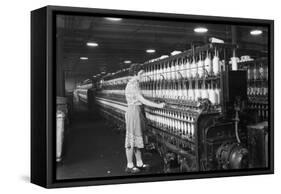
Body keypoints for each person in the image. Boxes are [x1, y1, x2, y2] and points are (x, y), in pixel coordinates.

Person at [124, 65, 165, 174]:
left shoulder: (135, 83)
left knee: (138, 139)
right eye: (141, 74)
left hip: (137, 111)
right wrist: (158, 105)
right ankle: (129, 165)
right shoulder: (133, 84)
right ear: (135, 73)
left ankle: (139, 163)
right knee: (131, 140)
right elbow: (142, 100)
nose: (143, 76)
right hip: (133, 112)